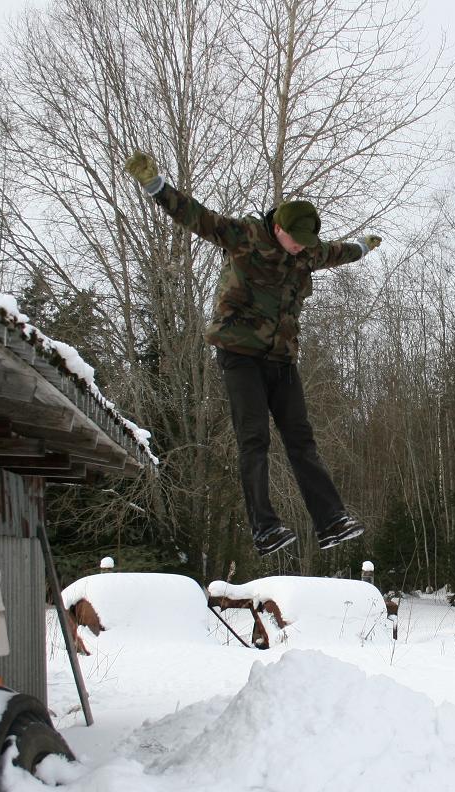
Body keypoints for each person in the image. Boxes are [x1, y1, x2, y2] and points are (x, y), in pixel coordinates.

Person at [124, 150, 379, 557]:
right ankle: (265, 528)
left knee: (301, 439)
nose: (299, 250)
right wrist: (156, 187)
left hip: (281, 359)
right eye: (295, 240)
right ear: (278, 227)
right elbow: (197, 217)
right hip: (239, 354)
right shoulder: (243, 235)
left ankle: (331, 520)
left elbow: (335, 252)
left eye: (305, 244)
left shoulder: (307, 251)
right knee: (255, 438)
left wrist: (362, 247)